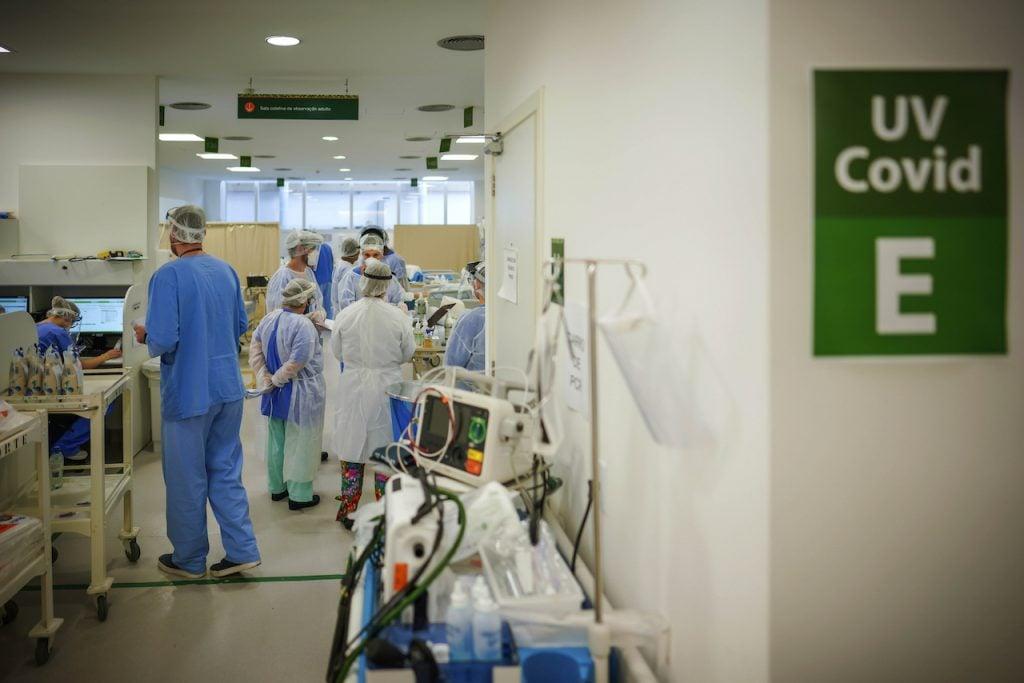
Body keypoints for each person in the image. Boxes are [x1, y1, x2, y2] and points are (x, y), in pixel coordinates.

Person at [133, 205, 261, 580]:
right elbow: (240, 322)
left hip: (189, 393)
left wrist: (145, 334)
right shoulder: (226, 271)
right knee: (225, 470)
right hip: (227, 388)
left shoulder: (168, 275)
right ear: (200, 234)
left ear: (174, 235)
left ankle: (188, 559)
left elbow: (164, 338)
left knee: (187, 477)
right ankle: (242, 551)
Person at [329, 258, 415, 527]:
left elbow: (338, 352)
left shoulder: (346, 314)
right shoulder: (398, 316)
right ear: (387, 285)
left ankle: (348, 509)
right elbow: (407, 353)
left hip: (353, 385)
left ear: (363, 281)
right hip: (386, 386)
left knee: (351, 444)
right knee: (383, 447)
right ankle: (383, 511)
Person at [250, 278, 325, 511]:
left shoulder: (269, 318)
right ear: (304, 301)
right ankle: (299, 495)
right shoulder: (303, 326)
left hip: (274, 393)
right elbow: (298, 361)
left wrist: (266, 378)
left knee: (276, 441)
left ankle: (277, 487)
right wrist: (277, 379)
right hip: (300, 392)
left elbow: (255, 350)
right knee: (301, 441)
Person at [36, 296, 123, 462]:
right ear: (66, 317)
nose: (71, 325)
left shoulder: (36, 327)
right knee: (104, 403)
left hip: (36, 387)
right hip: (53, 390)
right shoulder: (58, 332)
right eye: (72, 321)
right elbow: (80, 365)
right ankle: (64, 447)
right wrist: (106, 355)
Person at [336, 232, 405, 312]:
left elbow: (398, 299)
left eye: (376, 255)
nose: (371, 258)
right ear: (361, 255)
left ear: (382, 255)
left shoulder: (388, 277)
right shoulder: (351, 277)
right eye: (367, 255)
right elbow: (346, 305)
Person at [267, 230, 325, 315]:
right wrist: (299, 322)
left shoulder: (308, 272)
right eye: (312, 249)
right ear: (300, 249)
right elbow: (276, 311)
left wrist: (319, 314)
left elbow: (317, 300)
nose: (315, 253)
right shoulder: (282, 276)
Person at [445, 262, 486, 372]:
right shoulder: (507, 317)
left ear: (476, 285)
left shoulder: (471, 320)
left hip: (470, 387)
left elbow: (451, 364)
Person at [360, 225, 409, 290]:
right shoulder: (363, 258)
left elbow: (402, 288)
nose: (371, 257)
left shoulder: (396, 260)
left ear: (381, 242)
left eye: (376, 255)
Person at [330, 237, 360, 315]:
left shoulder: (340, 264)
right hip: (344, 312)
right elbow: (346, 297)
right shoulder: (347, 269)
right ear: (355, 252)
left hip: (339, 310)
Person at [312, 238, 336, 318]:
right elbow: (332, 262)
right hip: (329, 279)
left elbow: (312, 264)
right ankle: (329, 324)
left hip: (318, 280)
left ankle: (320, 324)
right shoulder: (328, 247)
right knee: (328, 306)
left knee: (318, 306)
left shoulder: (315, 248)